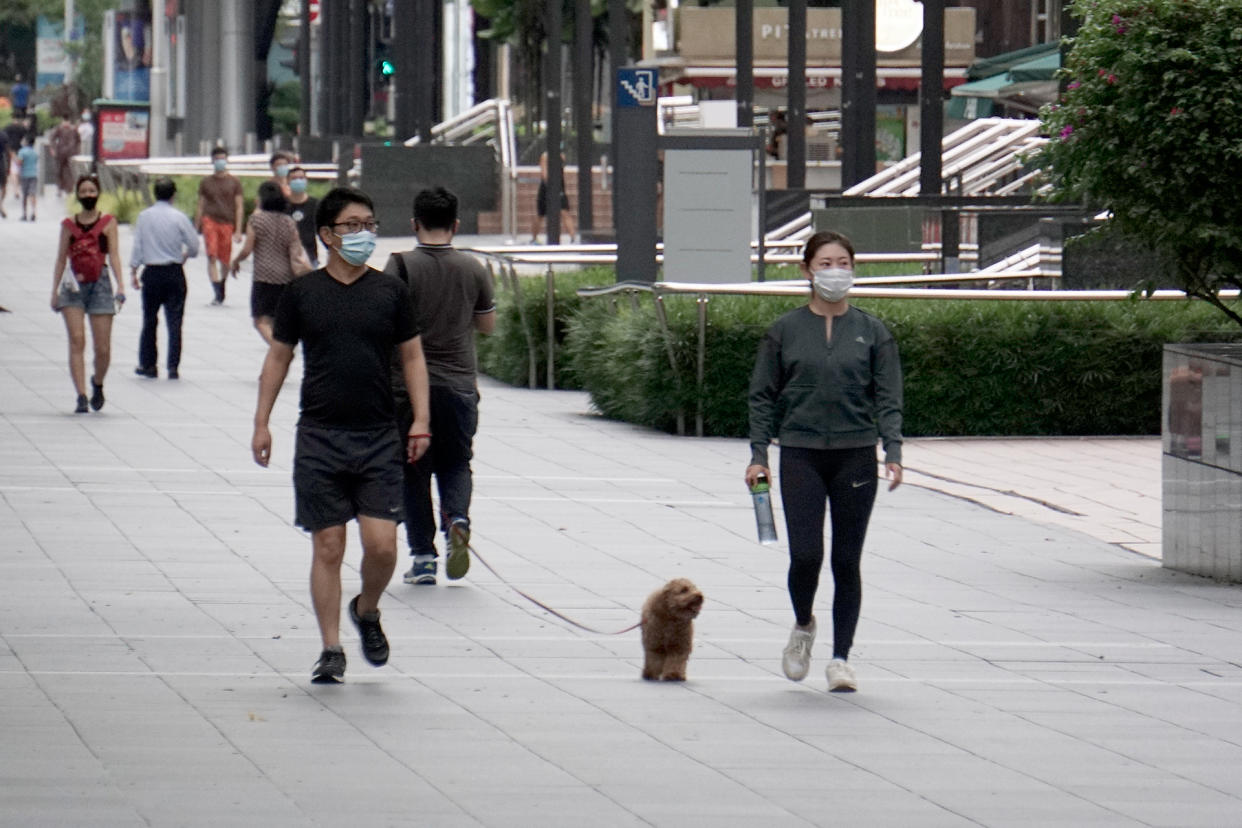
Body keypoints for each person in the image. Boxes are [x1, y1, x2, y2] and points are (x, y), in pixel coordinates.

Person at [251, 187, 432, 685]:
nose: (363, 233)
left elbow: (413, 357)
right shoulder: (303, 293)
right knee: (328, 545)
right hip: (320, 436)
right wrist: (262, 421)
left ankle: (367, 609)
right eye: (352, 225)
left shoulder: (391, 292)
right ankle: (331, 648)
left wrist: (421, 419)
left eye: (369, 223)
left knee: (382, 547)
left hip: (378, 436)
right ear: (327, 235)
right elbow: (279, 357)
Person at [746, 230, 904, 694]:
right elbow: (762, 397)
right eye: (825, 263)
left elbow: (889, 396)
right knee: (807, 555)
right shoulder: (785, 331)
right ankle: (802, 625)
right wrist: (759, 455)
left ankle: (841, 658)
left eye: (843, 263)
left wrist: (892, 450)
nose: (835, 271)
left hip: (855, 455)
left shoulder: (872, 331)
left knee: (846, 560)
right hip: (800, 453)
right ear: (807, 270)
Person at [383, 186, 496, 585]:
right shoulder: (473, 268)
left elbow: (383, 324)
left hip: (408, 390)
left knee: (413, 471)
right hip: (460, 385)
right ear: (456, 225)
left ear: (415, 223)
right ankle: (458, 520)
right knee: (456, 461)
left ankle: (424, 557)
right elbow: (487, 324)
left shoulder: (399, 266)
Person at [50, 174, 126, 413]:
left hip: (101, 283)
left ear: (98, 193)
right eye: (83, 191)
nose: (88, 195)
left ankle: (97, 382)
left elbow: (113, 255)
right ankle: (81, 395)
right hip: (72, 285)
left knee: (102, 348)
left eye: (92, 191)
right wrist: (54, 291)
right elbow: (61, 258)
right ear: (77, 194)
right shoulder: (68, 226)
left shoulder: (108, 223)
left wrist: (120, 284)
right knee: (77, 340)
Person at [131, 177, 200, 380]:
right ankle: (173, 366)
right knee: (175, 321)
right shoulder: (179, 217)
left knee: (149, 319)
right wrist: (185, 255)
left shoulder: (144, 217)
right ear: (173, 195)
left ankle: (148, 364)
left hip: (151, 273)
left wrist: (133, 271)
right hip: (174, 273)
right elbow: (194, 246)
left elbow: (138, 246)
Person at [230, 180, 311, 345]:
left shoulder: (256, 220)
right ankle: (279, 350)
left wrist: (236, 261)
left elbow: (247, 249)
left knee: (260, 321)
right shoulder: (289, 222)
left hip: (264, 277)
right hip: (286, 277)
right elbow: (296, 251)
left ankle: (278, 349)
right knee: (277, 320)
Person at [195, 146, 244, 305]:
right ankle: (216, 290)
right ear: (212, 161)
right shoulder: (206, 182)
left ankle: (222, 283)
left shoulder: (234, 182)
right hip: (210, 221)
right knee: (212, 255)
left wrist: (238, 229)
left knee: (225, 259)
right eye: (217, 159)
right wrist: (196, 227)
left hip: (227, 223)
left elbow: (239, 206)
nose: (220, 162)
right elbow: (201, 205)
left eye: (222, 159)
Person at [531, 149, 575, 244]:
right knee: (540, 213)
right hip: (547, 188)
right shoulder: (545, 156)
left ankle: (573, 237)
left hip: (559, 187)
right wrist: (550, 184)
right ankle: (534, 238)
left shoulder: (561, 156)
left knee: (564, 211)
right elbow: (544, 173)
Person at [285, 166, 320, 268]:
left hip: (310, 257)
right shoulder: (282, 205)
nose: (298, 181)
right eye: (294, 179)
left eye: (301, 178)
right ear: (288, 181)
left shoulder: (315, 204)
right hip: (285, 258)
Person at [51, 118, 81, 197]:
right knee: (59, 171)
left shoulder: (74, 130)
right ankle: (59, 189)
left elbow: (78, 140)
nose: (66, 123)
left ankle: (69, 189)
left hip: (71, 153)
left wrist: (77, 150)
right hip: (60, 153)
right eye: (64, 121)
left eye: (67, 121)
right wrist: (53, 148)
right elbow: (52, 139)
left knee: (70, 172)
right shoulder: (59, 129)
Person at [17, 133, 39, 221]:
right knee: (32, 194)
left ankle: (24, 214)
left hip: (24, 174)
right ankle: (33, 212)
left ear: (26, 142)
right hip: (34, 174)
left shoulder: (22, 151)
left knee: (25, 195)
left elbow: (19, 162)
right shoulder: (35, 152)